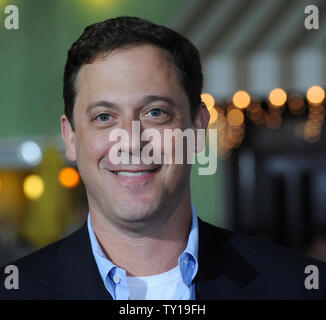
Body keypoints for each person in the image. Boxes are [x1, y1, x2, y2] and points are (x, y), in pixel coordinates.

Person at [0, 16, 325, 300]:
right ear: (70, 137)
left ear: (198, 128)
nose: (130, 140)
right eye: (103, 117)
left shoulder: (302, 286)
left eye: (156, 112)